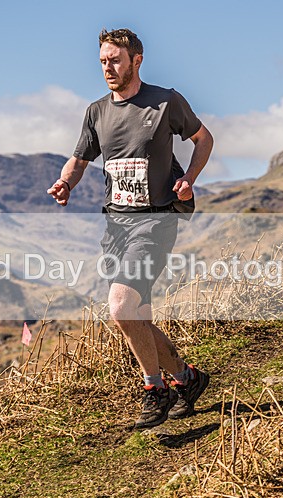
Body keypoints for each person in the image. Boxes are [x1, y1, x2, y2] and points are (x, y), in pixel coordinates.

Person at [47, 28, 214, 428]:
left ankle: (153, 389)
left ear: (136, 60)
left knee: (121, 308)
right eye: (103, 60)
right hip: (115, 225)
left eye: (115, 60)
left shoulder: (165, 101)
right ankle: (187, 379)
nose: (108, 67)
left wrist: (190, 177)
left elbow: (203, 138)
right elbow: (79, 159)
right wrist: (65, 182)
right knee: (136, 314)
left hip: (155, 221)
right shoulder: (96, 111)